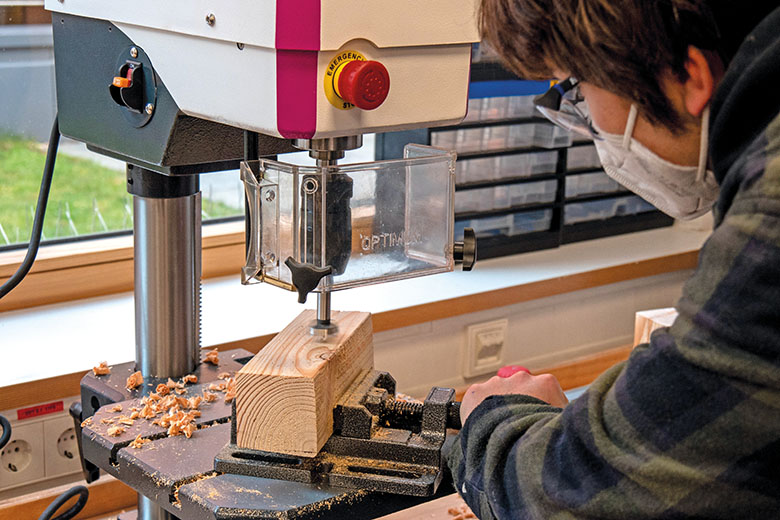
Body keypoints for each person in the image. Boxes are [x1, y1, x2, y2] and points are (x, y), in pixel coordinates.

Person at [447, 1, 780, 518]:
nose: (586, 123)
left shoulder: (772, 209)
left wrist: (496, 420)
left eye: (577, 88)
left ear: (688, 77)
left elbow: (576, 496)